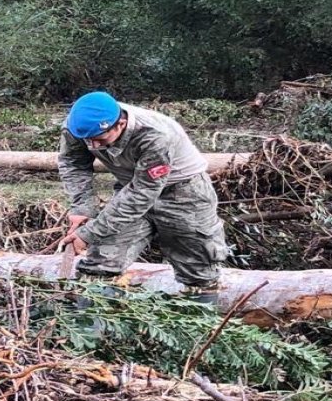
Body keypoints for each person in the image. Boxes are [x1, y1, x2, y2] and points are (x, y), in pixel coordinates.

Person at [56, 92, 231, 300]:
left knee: (199, 269)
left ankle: (198, 325)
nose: (94, 146)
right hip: (129, 188)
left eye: (99, 140)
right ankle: (90, 328)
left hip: (185, 193)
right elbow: (73, 163)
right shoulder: (78, 125)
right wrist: (82, 207)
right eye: (88, 141)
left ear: (120, 124)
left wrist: (89, 233)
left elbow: (143, 192)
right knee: (100, 262)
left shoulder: (155, 135)